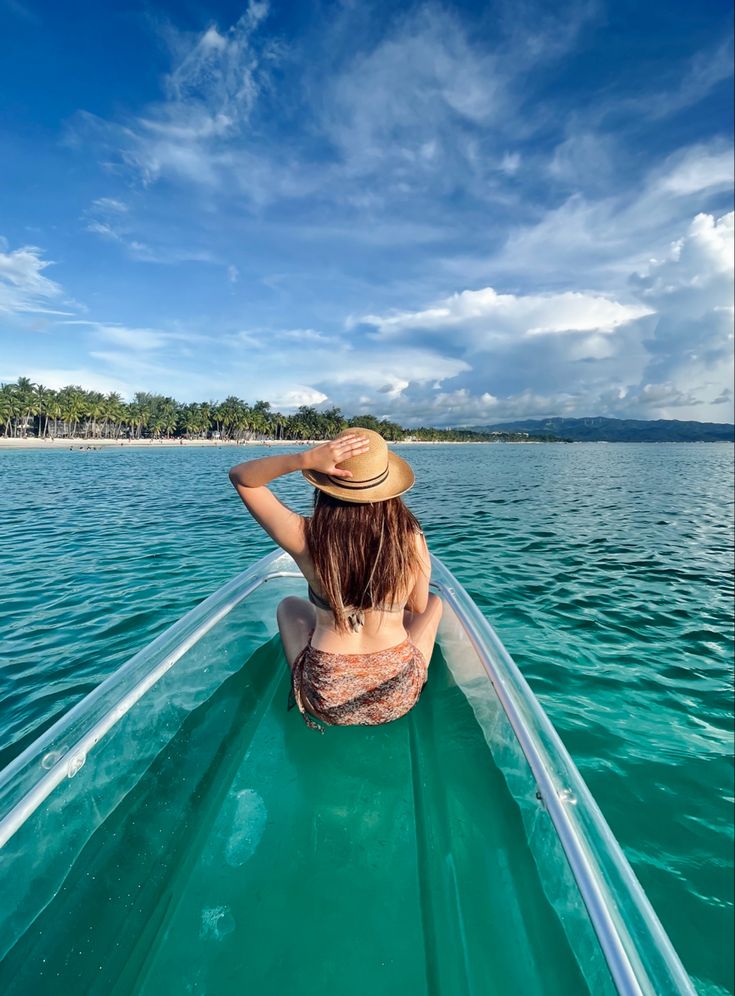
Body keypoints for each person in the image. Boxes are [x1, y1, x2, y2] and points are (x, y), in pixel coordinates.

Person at [228, 428, 442, 733]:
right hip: (396, 698)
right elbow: (418, 605)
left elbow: (241, 477)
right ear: (388, 488)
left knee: (289, 606)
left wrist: (305, 459)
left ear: (324, 485)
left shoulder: (306, 537)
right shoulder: (410, 538)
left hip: (324, 702)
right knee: (435, 602)